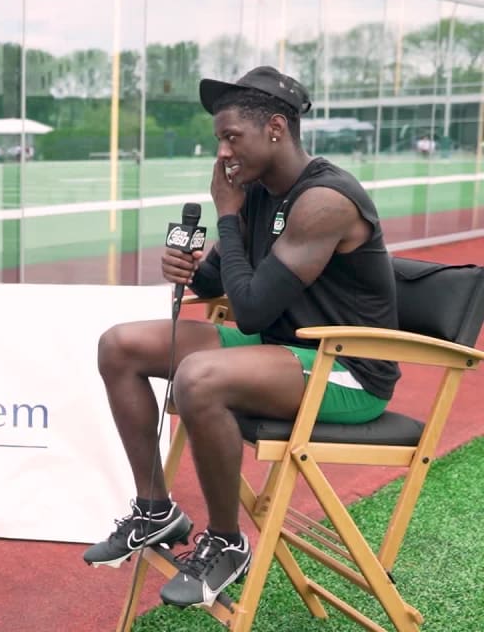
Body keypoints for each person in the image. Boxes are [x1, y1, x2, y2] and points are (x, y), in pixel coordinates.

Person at [84, 66, 400, 608]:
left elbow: (250, 309)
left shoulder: (325, 200)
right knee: (120, 345)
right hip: (280, 353)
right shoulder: (258, 193)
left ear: (276, 128)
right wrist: (187, 264)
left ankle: (227, 543)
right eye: (219, 140)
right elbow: (221, 281)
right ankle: (156, 507)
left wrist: (226, 216)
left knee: (199, 378)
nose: (224, 152)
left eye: (233, 137)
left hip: (345, 367)